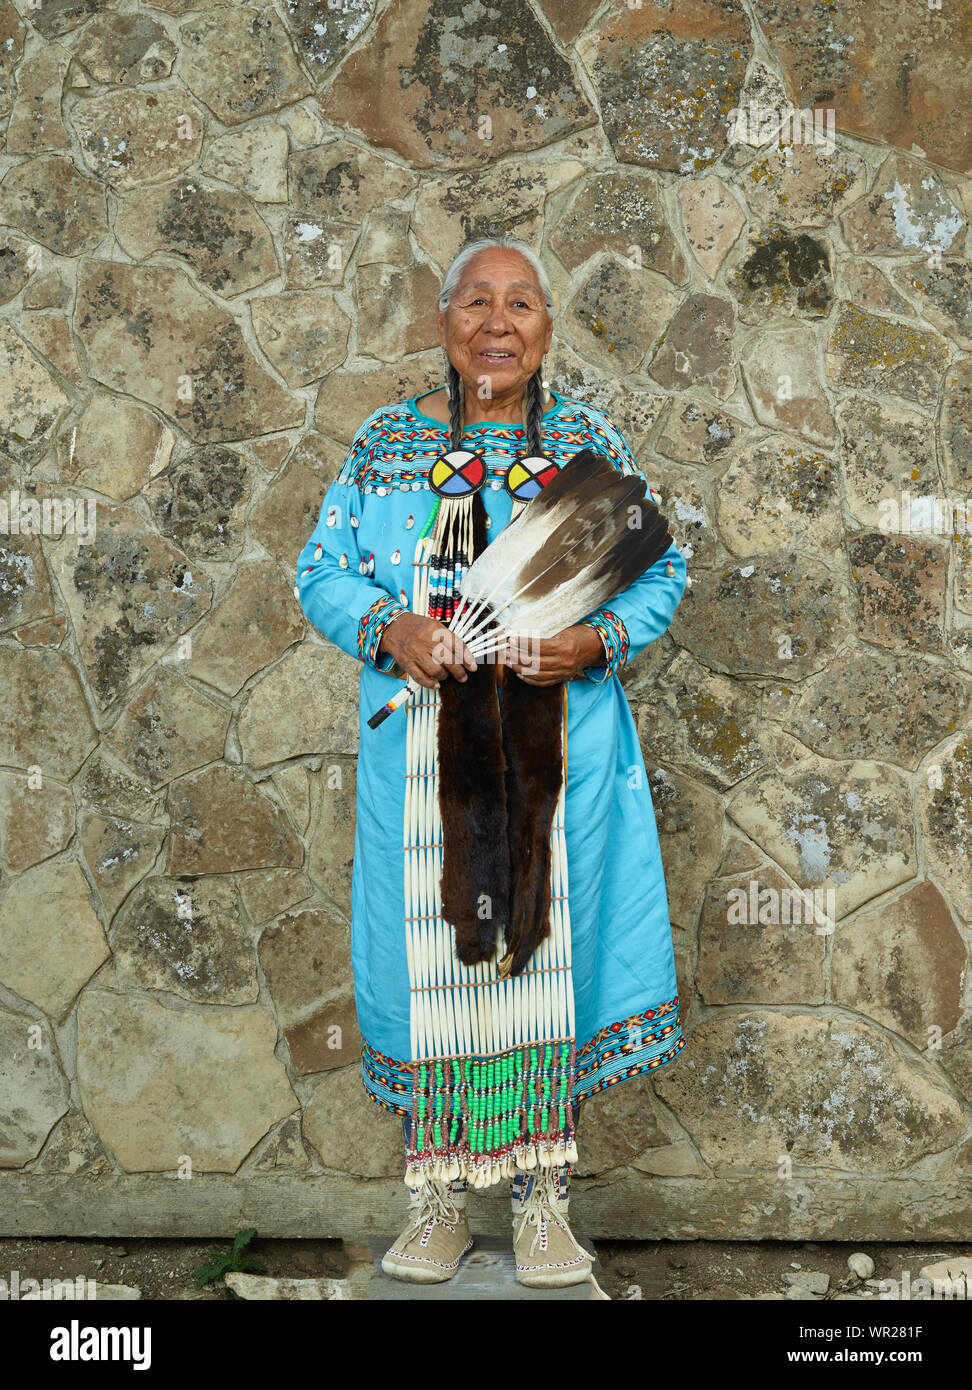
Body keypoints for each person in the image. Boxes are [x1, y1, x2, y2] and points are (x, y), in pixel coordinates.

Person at [296, 235, 688, 1288]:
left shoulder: (583, 448)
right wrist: (391, 629)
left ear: (546, 328)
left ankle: (542, 1200)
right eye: (478, 302)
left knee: (540, 966)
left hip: (557, 760)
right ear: (444, 324)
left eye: (521, 304)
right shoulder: (386, 447)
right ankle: (437, 1204)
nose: (499, 324)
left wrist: (590, 644)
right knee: (436, 971)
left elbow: (663, 569)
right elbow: (320, 570)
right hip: (424, 770)